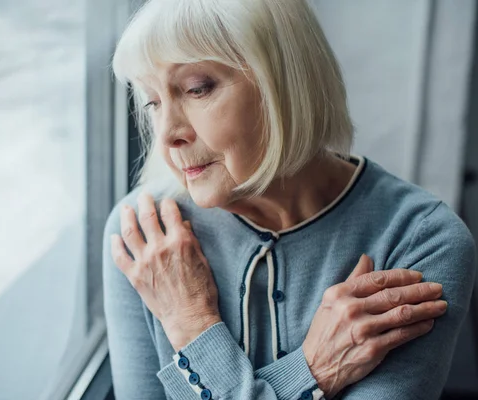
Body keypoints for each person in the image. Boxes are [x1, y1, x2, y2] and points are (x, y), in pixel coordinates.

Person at [102, 0, 477, 399]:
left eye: (198, 89)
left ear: (283, 81)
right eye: (154, 102)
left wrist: (192, 334)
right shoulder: (145, 236)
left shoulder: (422, 240)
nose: (167, 135)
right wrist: (312, 370)